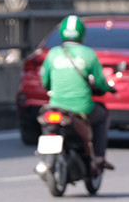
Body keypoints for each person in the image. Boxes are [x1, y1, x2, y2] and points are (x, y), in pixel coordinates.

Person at [41, 14, 114, 171]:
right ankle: (99, 157)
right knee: (101, 115)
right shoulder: (89, 54)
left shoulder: (53, 53)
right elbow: (101, 82)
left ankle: (45, 162)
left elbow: (45, 82)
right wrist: (109, 88)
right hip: (82, 109)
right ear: (82, 33)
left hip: (56, 106)